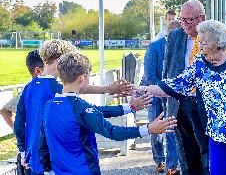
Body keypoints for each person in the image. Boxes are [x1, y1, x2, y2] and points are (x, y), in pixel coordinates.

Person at [139, 19, 226, 175]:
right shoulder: (200, 63)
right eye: (200, 40)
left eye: (204, 41)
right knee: (218, 171)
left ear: (218, 42)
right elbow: (175, 85)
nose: (200, 44)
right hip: (217, 127)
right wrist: (142, 88)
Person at [13, 40, 142, 175]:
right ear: (58, 61)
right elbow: (85, 110)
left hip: (31, 160)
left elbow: (19, 125)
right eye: (68, 60)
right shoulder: (57, 89)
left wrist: (23, 152)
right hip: (53, 161)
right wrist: (126, 105)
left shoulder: (29, 87)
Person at [38, 52, 177, 175]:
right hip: (83, 170)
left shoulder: (49, 105)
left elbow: (42, 143)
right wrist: (148, 129)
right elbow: (112, 131)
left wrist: (130, 107)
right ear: (81, 78)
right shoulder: (80, 108)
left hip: (56, 170)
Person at [163, 0, 208, 175]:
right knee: (186, 153)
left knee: (206, 151)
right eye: (182, 20)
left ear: (201, 18)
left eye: (189, 20)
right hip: (180, 104)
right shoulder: (175, 37)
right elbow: (167, 71)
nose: (185, 24)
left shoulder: (214, 34)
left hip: (205, 104)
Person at [141, 20, 181, 174]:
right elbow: (150, 75)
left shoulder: (181, 49)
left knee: (170, 128)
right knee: (156, 129)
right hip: (155, 95)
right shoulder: (154, 47)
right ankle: (159, 160)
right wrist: (163, 90)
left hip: (172, 96)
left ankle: (171, 164)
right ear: (168, 34)